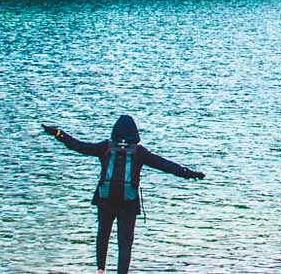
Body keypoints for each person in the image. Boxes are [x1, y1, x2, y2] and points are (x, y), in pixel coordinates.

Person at [41, 115, 204, 274]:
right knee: (125, 243)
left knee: (103, 236)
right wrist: (189, 173)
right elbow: (165, 165)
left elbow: (79, 146)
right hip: (129, 203)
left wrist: (58, 134)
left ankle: (100, 270)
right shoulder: (139, 152)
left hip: (105, 200)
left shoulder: (105, 147)